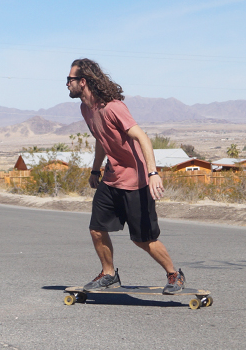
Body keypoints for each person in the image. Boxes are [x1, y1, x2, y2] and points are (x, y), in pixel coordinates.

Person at [67, 58, 186, 294]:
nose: (66, 84)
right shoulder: (85, 108)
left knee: (143, 239)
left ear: (82, 81)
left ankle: (174, 275)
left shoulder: (113, 107)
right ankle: (109, 274)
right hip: (111, 179)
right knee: (96, 229)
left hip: (136, 181)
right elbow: (102, 139)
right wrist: (95, 169)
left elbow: (143, 138)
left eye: (69, 79)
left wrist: (153, 173)